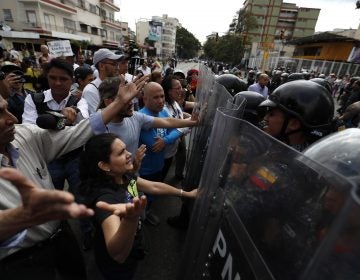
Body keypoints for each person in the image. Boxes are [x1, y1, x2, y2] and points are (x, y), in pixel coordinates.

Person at [0, 72, 147, 279]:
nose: (12, 119)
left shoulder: (23, 135)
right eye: (0, 114)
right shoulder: (106, 197)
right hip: (19, 263)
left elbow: (77, 133)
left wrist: (119, 103)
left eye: (7, 108)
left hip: (61, 237)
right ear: (104, 165)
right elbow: (117, 251)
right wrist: (21, 217)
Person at [79, 133, 197, 280]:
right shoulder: (105, 199)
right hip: (118, 268)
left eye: (126, 149)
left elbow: (154, 187)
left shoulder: (124, 177)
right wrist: (131, 219)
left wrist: (186, 194)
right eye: (121, 153)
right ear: (104, 165)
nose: (129, 154)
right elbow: (118, 255)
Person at [258, 80, 334, 151]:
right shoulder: (273, 146)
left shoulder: (299, 161)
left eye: (271, 114)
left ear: (294, 124)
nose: (265, 118)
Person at [82, 48, 124, 115]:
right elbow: (98, 119)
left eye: (117, 65)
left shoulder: (117, 86)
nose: (117, 68)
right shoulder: (91, 90)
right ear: (101, 66)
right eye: (113, 64)